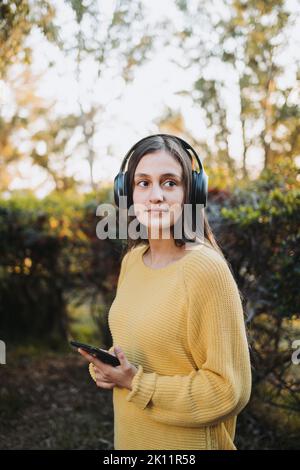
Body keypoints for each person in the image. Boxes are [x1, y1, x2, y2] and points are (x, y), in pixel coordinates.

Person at [78, 134, 252, 450]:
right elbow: (137, 347)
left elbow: (228, 391)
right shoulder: (132, 261)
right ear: (126, 194)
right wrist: (107, 368)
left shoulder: (205, 270)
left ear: (191, 194)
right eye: (143, 183)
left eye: (169, 182)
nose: (155, 195)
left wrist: (134, 382)